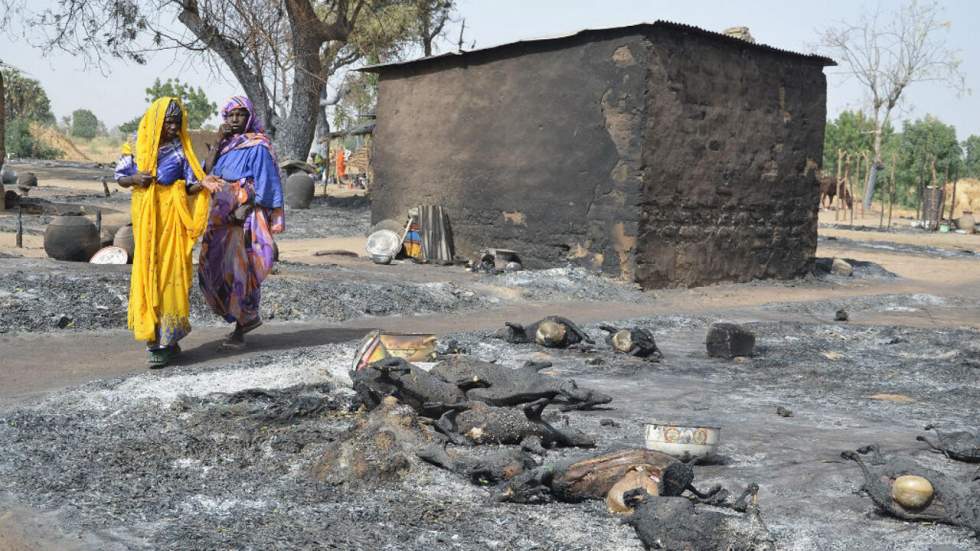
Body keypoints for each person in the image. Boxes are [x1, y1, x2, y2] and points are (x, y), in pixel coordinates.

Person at [114, 97, 212, 368]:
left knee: (171, 276)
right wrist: (135, 179)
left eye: (176, 122)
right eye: (168, 121)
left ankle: (167, 339)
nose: (172, 127)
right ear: (156, 120)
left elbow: (191, 185)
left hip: (171, 223)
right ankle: (152, 338)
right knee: (148, 275)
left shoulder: (182, 149)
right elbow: (120, 177)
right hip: (147, 225)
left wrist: (204, 181)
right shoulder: (136, 144)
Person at [198, 95, 284, 348]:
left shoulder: (259, 146)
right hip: (220, 213)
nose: (235, 119)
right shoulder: (225, 145)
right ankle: (241, 319)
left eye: (240, 114)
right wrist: (217, 141)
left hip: (244, 214)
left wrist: (245, 208)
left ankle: (243, 323)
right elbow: (206, 173)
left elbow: (267, 182)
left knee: (241, 269)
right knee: (213, 265)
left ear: (249, 117)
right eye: (230, 115)